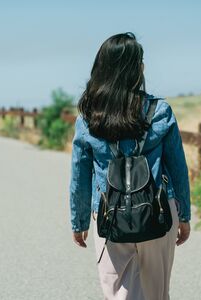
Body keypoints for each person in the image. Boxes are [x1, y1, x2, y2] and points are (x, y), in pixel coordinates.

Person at [68, 32, 191, 300]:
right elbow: (178, 167)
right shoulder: (159, 111)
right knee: (157, 294)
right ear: (136, 68)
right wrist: (184, 215)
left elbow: (80, 175)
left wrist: (78, 221)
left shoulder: (89, 118)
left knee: (119, 295)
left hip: (109, 215)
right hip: (158, 212)